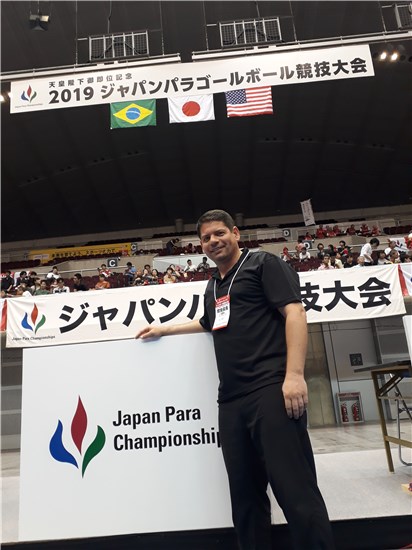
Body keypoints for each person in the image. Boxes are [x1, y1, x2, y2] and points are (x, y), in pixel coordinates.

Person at [136, 209, 334, 550]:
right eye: (206, 238)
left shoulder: (263, 264)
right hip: (230, 401)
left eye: (219, 233)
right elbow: (208, 322)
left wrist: (294, 375)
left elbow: (295, 312)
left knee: (295, 490)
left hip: (271, 390)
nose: (213, 241)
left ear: (236, 233)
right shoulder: (213, 285)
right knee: (244, 498)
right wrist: (165, 329)